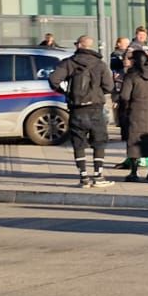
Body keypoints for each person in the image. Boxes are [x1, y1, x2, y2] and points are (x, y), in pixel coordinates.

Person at [47, 36, 114, 188]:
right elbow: (109, 87)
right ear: (90, 47)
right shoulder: (100, 64)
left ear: (79, 45)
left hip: (77, 108)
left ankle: (83, 177)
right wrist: (97, 92)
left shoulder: (69, 62)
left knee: (78, 142)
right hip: (96, 107)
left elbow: (53, 79)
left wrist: (65, 91)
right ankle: (98, 175)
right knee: (99, 141)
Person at [118, 49, 148, 183]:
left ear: (135, 60)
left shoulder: (131, 76)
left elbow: (124, 96)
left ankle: (133, 172)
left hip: (135, 110)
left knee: (134, 139)